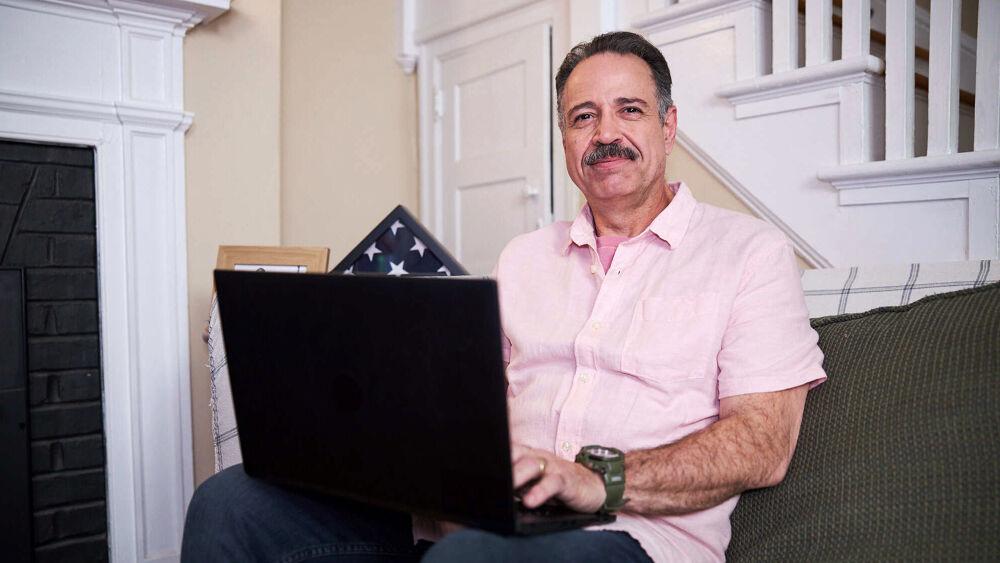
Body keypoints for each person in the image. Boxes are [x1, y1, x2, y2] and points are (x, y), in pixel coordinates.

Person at [181, 31, 825, 562]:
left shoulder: (749, 254)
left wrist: (594, 480)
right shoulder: (524, 258)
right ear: (567, 140)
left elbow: (761, 445)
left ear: (668, 125)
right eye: (582, 117)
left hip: (627, 542)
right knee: (231, 503)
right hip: (463, 524)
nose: (605, 133)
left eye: (628, 109)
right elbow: (461, 405)